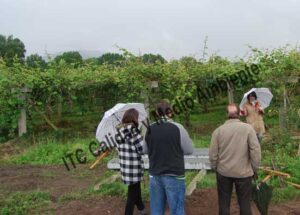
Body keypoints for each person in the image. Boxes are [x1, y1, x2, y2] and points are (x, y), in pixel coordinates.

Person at [209, 103, 261, 215]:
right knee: (245, 203)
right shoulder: (248, 129)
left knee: (223, 202)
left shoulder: (218, 131)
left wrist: (214, 167)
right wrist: (254, 168)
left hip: (224, 172)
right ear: (239, 114)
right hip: (244, 172)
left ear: (226, 114)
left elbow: (213, 153)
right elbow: (255, 150)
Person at [144, 100, 193, 215]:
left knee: (156, 210)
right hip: (174, 175)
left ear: (156, 113)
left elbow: (144, 150)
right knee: (177, 210)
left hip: (155, 174)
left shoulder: (149, 129)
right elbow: (189, 150)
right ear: (170, 112)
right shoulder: (178, 128)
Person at [115, 108, 146, 215]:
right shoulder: (134, 132)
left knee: (135, 188)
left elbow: (118, 149)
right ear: (134, 118)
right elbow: (143, 149)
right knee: (132, 194)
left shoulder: (118, 132)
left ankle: (141, 208)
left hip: (125, 167)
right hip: (134, 168)